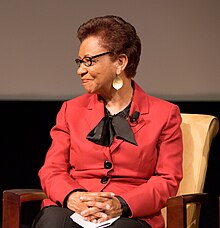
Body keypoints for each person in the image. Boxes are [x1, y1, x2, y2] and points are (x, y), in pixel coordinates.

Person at [32, 15, 183, 228]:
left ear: (120, 62)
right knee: (53, 223)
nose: (80, 70)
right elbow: (52, 170)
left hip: (130, 214)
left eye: (89, 61)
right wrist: (73, 197)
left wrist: (121, 204)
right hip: (73, 209)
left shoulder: (165, 114)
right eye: (80, 62)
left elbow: (167, 180)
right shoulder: (70, 110)